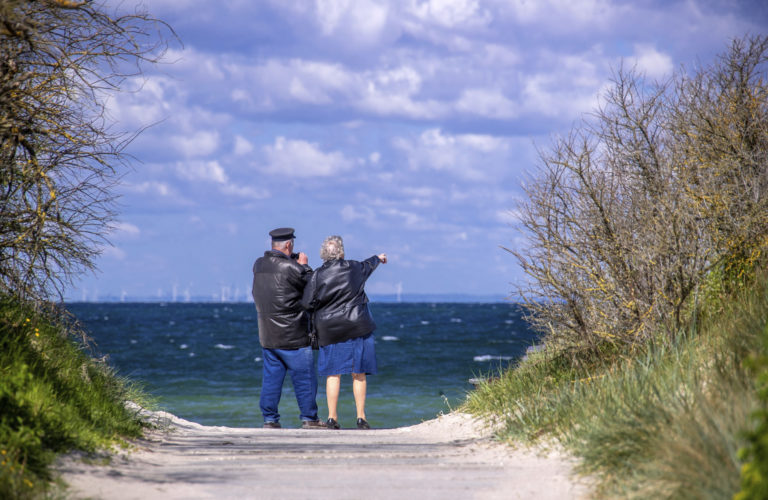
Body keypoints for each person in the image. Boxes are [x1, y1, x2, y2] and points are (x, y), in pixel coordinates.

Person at [302, 235, 386, 429]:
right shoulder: (353, 267)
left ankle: (332, 418)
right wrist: (379, 257)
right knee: (359, 373)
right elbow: (368, 265)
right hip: (358, 326)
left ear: (324, 253)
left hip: (330, 330)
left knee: (333, 373)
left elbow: (307, 303)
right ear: (341, 252)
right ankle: (361, 418)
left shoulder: (316, 275)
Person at [251, 227, 323, 429]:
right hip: (293, 334)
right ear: (289, 244)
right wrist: (305, 266)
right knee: (305, 380)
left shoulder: (259, 264)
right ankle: (310, 418)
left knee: (272, 380)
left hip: (268, 334)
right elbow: (313, 288)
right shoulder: (293, 269)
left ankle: (270, 419)